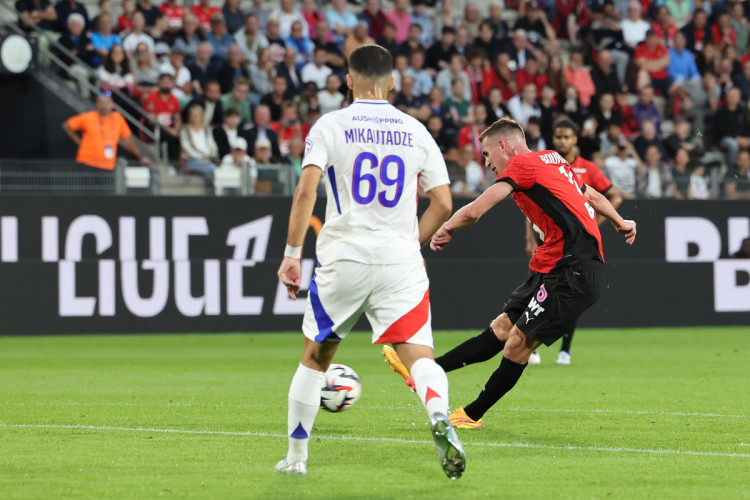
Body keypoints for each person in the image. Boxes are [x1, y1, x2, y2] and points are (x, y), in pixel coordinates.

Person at [274, 44, 464, 479]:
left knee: (315, 356)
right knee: (419, 357)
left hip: (345, 257)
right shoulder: (416, 130)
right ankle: (439, 415)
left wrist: (291, 254)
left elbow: (306, 192)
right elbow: (443, 202)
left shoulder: (331, 125)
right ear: (392, 81)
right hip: (400, 262)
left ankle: (297, 459)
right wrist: (409, 242)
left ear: (348, 79)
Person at [384, 116, 636, 429]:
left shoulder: (521, 165)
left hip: (574, 270)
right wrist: (619, 220)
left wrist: (446, 228)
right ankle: (423, 371)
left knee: (517, 344)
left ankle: (472, 414)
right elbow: (593, 196)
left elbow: (475, 209)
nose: (486, 162)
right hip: (555, 266)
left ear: (504, 146)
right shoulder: (553, 159)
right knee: (502, 328)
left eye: (488, 154)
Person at [523, 118, 623, 364]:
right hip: (547, 243)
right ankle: (530, 346)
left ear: (575, 140)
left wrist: (589, 226)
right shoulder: (543, 165)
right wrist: (529, 237)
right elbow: (531, 205)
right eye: (558, 137)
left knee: (570, 296)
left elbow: (614, 196)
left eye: (567, 137)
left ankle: (564, 350)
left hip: (575, 247)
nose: (562, 141)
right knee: (538, 293)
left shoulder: (586, 168)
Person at [62, 91, 151, 182]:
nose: (104, 105)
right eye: (101, 102)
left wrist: (140, 157)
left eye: (107, 102)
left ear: (112, 105)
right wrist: (79, 142)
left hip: (107, 165)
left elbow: (128, 140)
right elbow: (66, 125)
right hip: (86, 162)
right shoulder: (88, 117)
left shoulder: (118, 118)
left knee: (106, 194)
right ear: (97, 104)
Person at [180, 104, 219, 179]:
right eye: (193, 115)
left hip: (208, 159)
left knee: (214, 168)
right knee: (212, 169)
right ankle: (213, 190)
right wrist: (202, 157)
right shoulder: (185, 130)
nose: (195, 117)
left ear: (202, 116)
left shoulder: (206, 130)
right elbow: (186, 148)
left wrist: (212, 154)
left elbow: (212, 144)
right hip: (192, 159)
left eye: (197, 115)